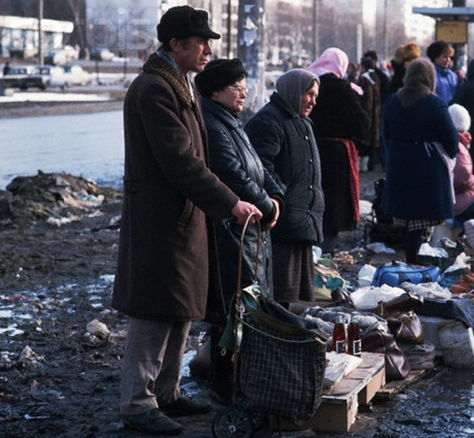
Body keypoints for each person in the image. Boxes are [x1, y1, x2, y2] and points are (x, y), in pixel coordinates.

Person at [112, 6, 261, 436]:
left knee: (180, 308)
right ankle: (138, 403)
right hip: (160, 221)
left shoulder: (179, 85)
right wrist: (231, 202)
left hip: (181, 218)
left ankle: (167, 391)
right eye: (201, 42)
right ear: (176, 45)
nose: (209, 50)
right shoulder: (155, 89)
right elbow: (182, 162)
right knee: (153, 310)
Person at [194, 58, 284, 401]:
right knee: (229, 308)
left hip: (249, 228)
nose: (244, 93)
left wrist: (276, 197)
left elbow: (257, 168)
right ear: (215, 91)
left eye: (245, 87)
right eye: (237, 87)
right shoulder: (214, 126)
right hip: (231, 230)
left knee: (247, 304)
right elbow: (232, 174)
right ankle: (224, 384)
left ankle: (241, 377)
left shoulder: (231, 121)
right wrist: (266, 205)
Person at [245, 69, 324, 308]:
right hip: (283, 223)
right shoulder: (268, 121)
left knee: (292, 298)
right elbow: (260, 169)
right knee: (278, 296)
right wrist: (279, 199)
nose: (313, 101)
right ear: (293, 91)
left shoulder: (303, 122)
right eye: (309, 94)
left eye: (315, 95)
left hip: (301, 221)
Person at [380, 58, 458, 263]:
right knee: (420, 217)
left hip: (398, 162)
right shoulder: (435, 104)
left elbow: (385, 134)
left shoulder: (392, 101)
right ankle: (414, 259)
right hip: (426, 166)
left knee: (405, 216)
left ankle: (409, 256)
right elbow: (451, 139)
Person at [307, 47, 369, 254]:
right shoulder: (342, 89)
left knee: (314, 195)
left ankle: (313, 245)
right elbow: (361, 123)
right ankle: (326, 250)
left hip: (311, 147)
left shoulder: (308, 83)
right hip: (337, 153)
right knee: (335, 203)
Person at [356, 56, 382, 172]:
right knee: (370, 140)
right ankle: (366, 165)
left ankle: (362, 166)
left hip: (366, 113)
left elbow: (362, 98)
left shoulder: (364, 79)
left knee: (363, 140)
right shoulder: (375, 78)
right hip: (375, 113)